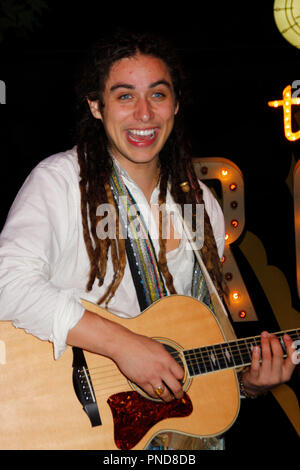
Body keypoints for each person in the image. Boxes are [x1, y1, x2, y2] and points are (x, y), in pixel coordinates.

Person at [0, 31, 296, 450]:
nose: (144, 114)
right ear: (96, 106)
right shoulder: (62, 181)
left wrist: (249, 383)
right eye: (124, 96)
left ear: (175, 104)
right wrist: (123, 346)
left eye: (157, 95)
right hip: (75, 422)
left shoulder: (200, 202)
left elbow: (198, 344)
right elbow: (6, 284)